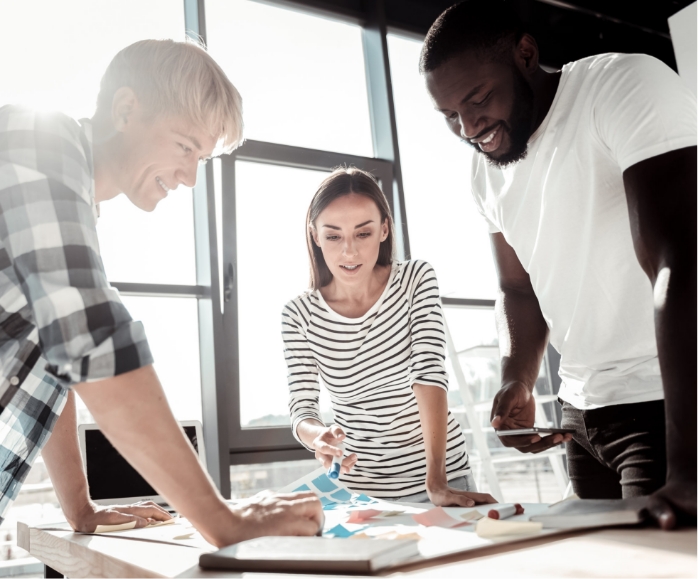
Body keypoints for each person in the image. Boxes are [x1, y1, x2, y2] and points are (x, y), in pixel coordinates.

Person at [0, 38, 322, 546]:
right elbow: (89, 336)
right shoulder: (41, 138)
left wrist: (81, 508)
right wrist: (221, 519)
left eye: (202, 157)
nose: (191, 177)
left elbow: (56, 358)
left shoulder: (74, 208)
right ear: (126, 109)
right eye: (185, 147)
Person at [420, 0, 696, 528]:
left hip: (661, 405)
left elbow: (682, 257)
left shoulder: (622, 85)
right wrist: (516, 379)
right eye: (450, 115)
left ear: (525, 54)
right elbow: (518, 289)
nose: (468, 127)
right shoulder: (486, 174)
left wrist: (692, 468)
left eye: (478, 99)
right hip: (581, 418)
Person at [281, 167, 496, 506]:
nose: (349, 252)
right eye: (334, 236)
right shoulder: (298, 315)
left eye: (363, 234)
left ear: (383, 229)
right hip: (362, 493)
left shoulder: (416, 279)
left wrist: (436, 479)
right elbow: (302, 407)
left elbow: (428, 373)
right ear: (315, 236)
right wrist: (318, 436)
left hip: (442, 477)